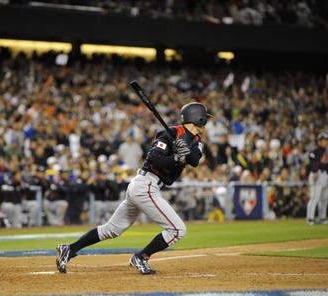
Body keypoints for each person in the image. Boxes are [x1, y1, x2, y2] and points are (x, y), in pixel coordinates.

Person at [55, 102, 212, 275]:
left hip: (146, 187)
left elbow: (195, 160)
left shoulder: (196, 140)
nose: (206, 122)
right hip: (145, 185)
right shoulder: (170, 134)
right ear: (198, 118)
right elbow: (154, 160)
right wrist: (175, 157)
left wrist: (185, 152)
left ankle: (69, 249)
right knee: (177, 230)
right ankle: (141, 257)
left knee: (112, 230)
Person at [306, 133, 328, 225]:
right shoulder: (315, 151)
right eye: (324, 140)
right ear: (319, 141)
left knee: (325, 199)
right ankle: (310, 219)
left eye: (327, 140)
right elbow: (312, 161)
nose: (326, 142)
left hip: (325, 175)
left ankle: (323, 218)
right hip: (317, 174)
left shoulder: (327, 152)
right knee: (314, 198)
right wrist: (315, 171)